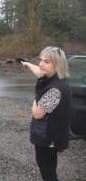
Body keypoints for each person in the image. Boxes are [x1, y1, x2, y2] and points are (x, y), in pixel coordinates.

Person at [21, 46, 73, 181]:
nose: (41, 64)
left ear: (57, 65)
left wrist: (37, 96)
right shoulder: (54, 78)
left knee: (47, 169)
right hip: (51, 135)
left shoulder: (55, 89)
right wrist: (28, 64)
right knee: (48, 166)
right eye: (41, 60)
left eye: (46, 61)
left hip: (48, 138)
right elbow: (39, 72)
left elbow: (37, 113)